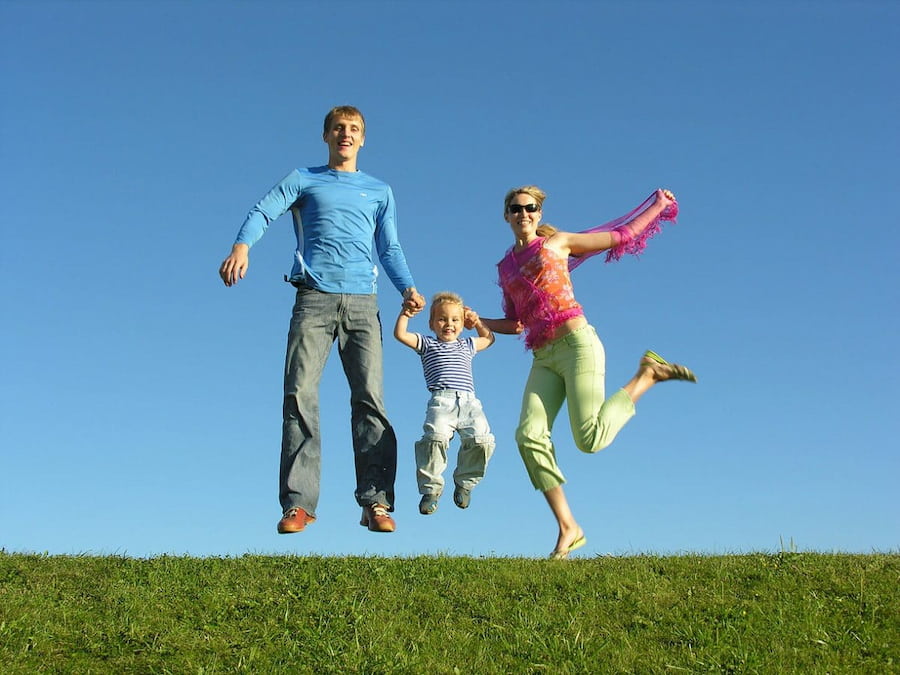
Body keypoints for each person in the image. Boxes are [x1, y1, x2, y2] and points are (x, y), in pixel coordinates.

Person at [218, 105, 425, 535]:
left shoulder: (380, 190)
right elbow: (263, 210)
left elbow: (389, 248)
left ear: (363, 139)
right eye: (338, 129)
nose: (345, 135)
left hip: (364, 303)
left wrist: (406, 287)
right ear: (326, 136)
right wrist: (243, 246)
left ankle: (377, 502)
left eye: (353, 130)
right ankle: (298, 505)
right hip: (313, 299)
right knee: (300, 395)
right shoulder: (304, 179)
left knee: (370, 401)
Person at [480, 186, 696, 559]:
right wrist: (477, 320)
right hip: (543, 356)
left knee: (590, 439)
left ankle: (647, 375)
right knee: (528, 435)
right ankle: (569, 527)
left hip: (578, 345)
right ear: (506, 216)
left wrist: (659, 206)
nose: (523, 214)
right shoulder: (505, 268)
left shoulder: (558, 244)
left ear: (538, 214)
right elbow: (516, 323)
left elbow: (622, 235)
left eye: (530, 208)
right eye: (516, 209)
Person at [393, 292, 496, 515]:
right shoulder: (427, 344)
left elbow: (489, 339)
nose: (448, 324)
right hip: (442, 401)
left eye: (455, 320)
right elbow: (401, 334)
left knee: (482, 440)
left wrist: (477, 322)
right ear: (431, 324)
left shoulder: (467, 345)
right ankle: (430, 490)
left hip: (470, 403)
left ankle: (465, 483)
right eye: (442, 319)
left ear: (462, 324)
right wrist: (406, 313)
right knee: (435, 439)